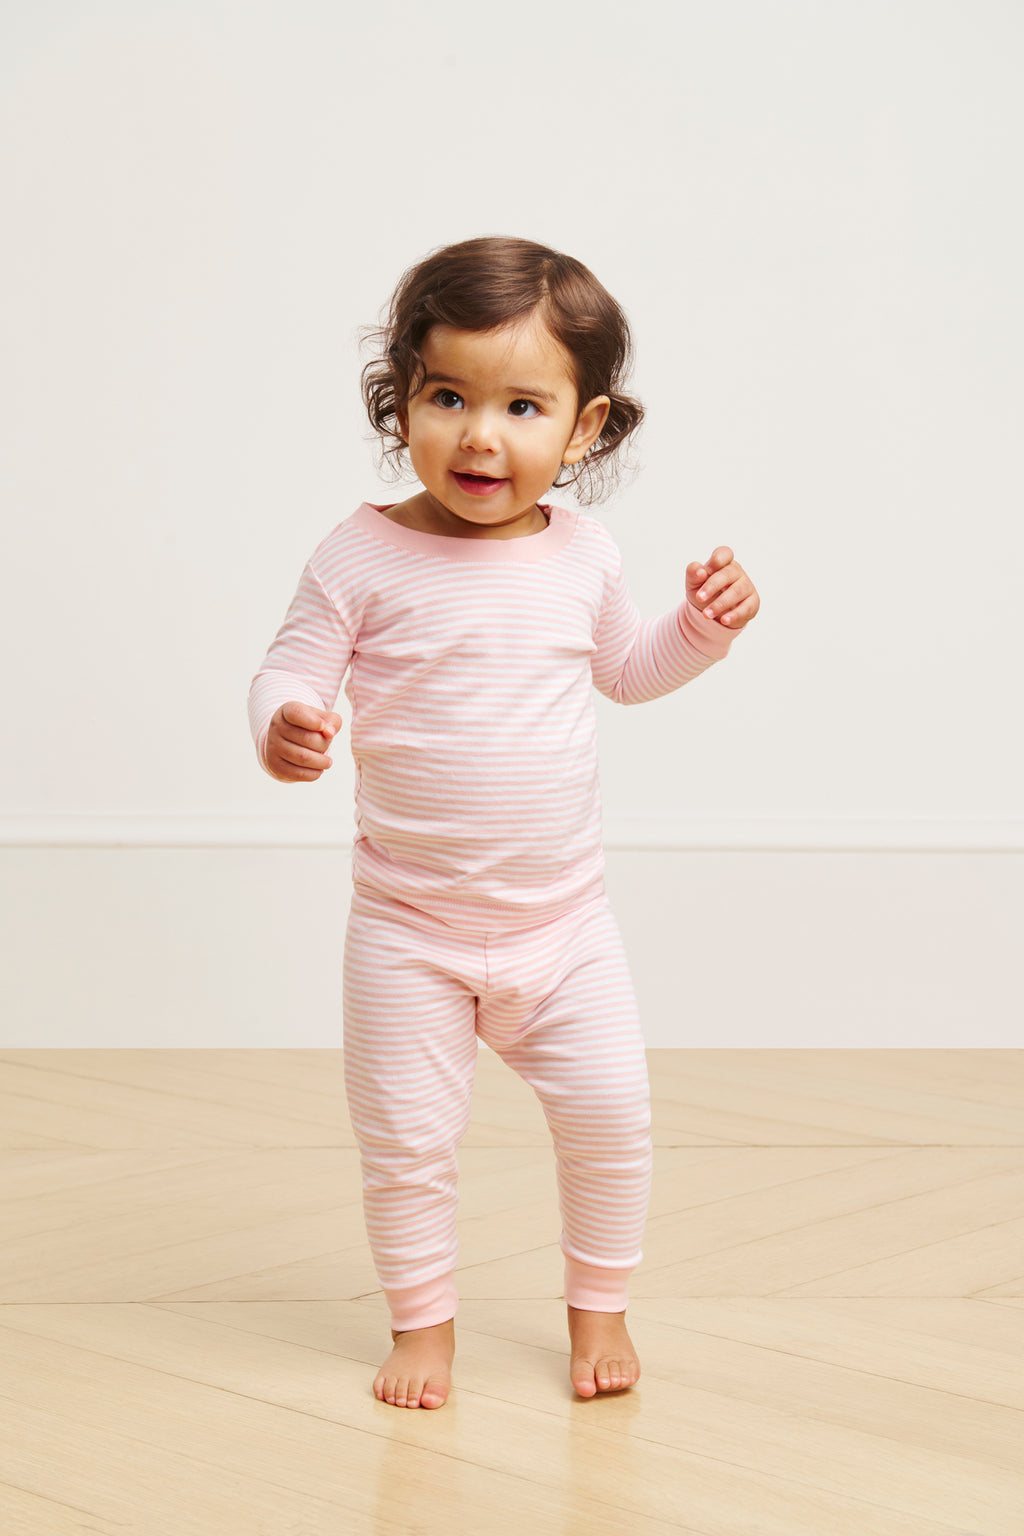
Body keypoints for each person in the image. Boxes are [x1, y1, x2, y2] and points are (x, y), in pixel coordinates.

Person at [247, 235, 760, 1410]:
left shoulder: (584, 554)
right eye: (447, 397)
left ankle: (599, 1308)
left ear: (586, 430)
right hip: (405, 926)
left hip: (563, 927)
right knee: (408, 1144)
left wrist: (702, 628)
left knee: (610, 1117)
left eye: (523, 405)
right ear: (402, 403)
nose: (481, 435)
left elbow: (627, 672)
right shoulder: (357, 555)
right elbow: (290, 665)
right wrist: (286, 721)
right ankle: (423, 1325)